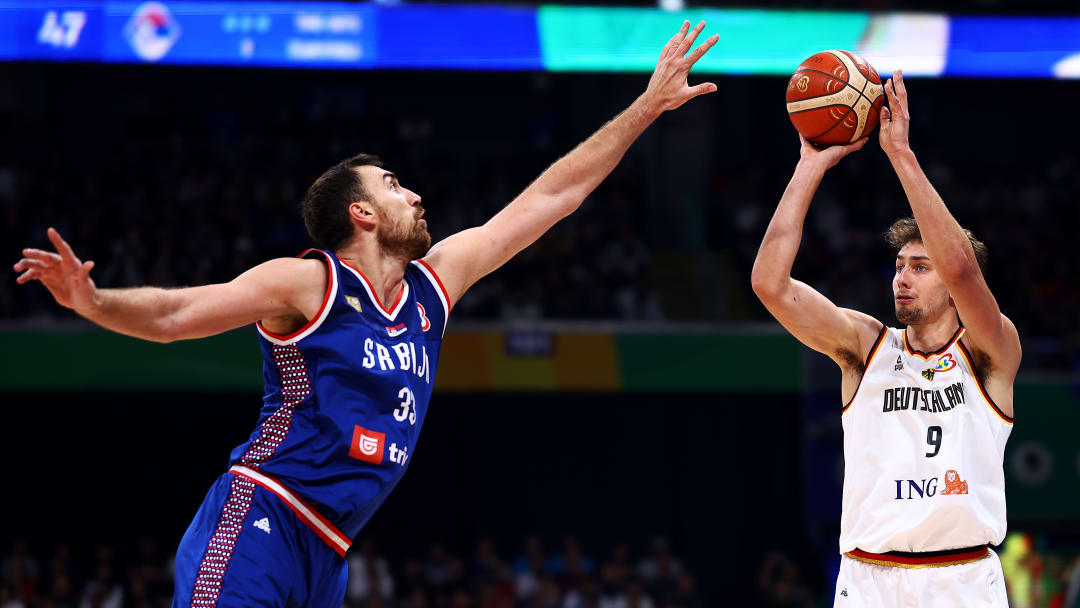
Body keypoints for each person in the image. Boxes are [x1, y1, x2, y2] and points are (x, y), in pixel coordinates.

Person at [13, 21, 719, 608]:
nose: (413, 195)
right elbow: (175, 314)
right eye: (393, 185)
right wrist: (92, 300)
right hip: (262, 515)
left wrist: (647, 108)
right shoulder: (309, 283)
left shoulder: (434, 285)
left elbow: (548, 200)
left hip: (331, 554)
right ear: (361, 214)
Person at [751, 69, 1019, 607]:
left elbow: (964, 271)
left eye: (921, 267)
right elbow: (769, 284)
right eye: (900, 265)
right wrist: (808, 167)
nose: (902, 276)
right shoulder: (866, 346)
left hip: (961, 578)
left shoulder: (991, 353)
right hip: (869, 578)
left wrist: (900, 154)